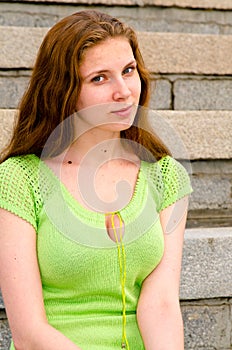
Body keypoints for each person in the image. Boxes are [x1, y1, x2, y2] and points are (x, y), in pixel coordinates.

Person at [0, 10, 192, 350]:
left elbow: (160, 303)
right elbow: (29, 332)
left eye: (128, 71)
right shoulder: (19, 178)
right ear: (64, 90)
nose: (123, 92)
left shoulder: (165, 175)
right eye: (99, 78)